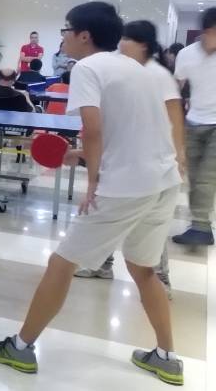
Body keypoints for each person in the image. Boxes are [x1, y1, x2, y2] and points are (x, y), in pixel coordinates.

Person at [0, 2, 184, 385]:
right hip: (163, 181)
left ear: (84, 35)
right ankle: (167, 357)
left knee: (61, 263)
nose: (63, 36)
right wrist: (81, 156)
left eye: (66, 29)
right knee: (144, 270)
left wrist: (92, 182)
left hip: (125, 186)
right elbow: (128, 131)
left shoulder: (88, 68)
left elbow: (93, 127)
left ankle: (20, 347)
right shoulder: (136, 68)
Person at [73, 20, 186, 297]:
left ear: (143, 44)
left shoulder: (156, 74)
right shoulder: (119, 69)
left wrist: (179, 155)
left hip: (152, 164)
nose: (121, 44)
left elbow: (174, 116)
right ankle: (102, 264)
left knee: (147, 229)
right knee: (110, 214)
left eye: (127, 39)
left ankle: (161, 279)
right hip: (122, 161)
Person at [172, 8, 216, 246]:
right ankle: (199, 225)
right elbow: (175, 88)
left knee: (207, 177)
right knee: (194, 175)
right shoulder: (187, 54)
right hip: (194, 121)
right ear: (205, 30)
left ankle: (200, 225)